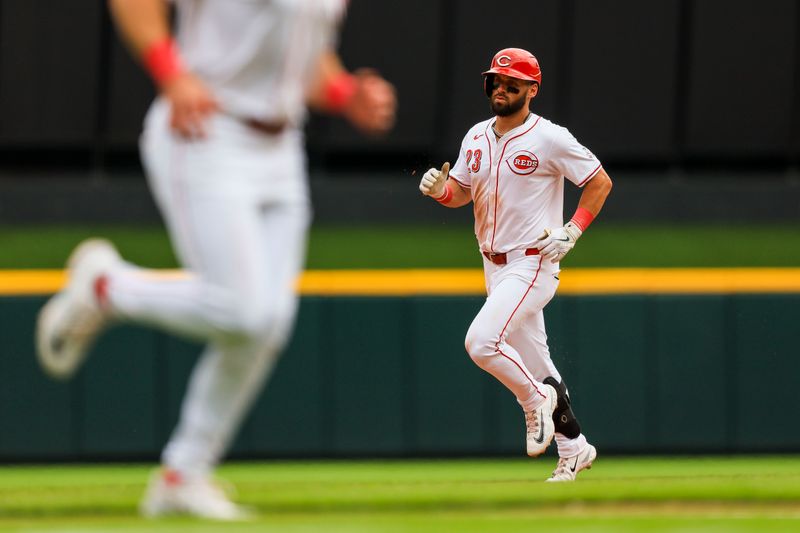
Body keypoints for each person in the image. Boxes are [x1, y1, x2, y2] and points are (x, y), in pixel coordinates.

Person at [36, 0, 396, 520]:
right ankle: (105, 287)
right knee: (243, 311)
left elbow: (303, 61)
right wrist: (171, 73)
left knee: (268, 326)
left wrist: (345, 94)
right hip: (206, 129)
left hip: (280, 147)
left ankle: (183, 474)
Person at [419, 47, 612, 482]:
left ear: (532, 89)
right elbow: (461, 193)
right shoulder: (476, 136)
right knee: (540, 363)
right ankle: (575, 447)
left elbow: (599, 181)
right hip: (493, 264)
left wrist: (574, 229)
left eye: (512, 83)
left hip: (532, 262)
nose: (501, 88)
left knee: (482, 342)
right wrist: (439, 191)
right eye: (496, 81)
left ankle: (533, 401)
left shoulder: (551, 138)